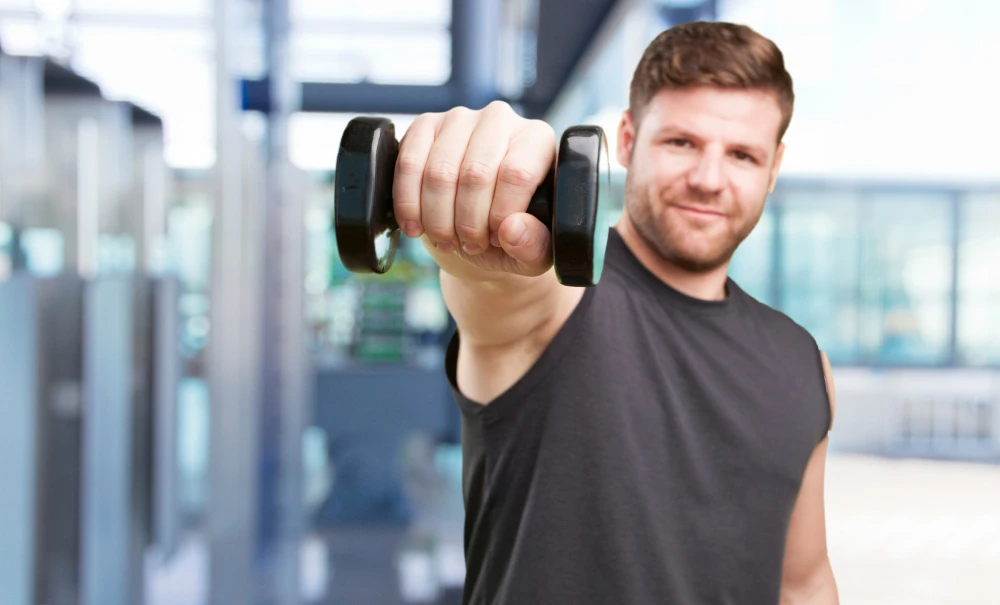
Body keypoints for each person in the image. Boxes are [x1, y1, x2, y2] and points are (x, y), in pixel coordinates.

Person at [392, 20, 839, 605]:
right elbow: (498, 287)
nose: (708, 179)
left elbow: (803, 583)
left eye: (742, 155)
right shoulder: (561, 292)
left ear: (773, 167)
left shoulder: (802, 360)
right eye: (681, 143)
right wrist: (480, 242)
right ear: (626, 140)